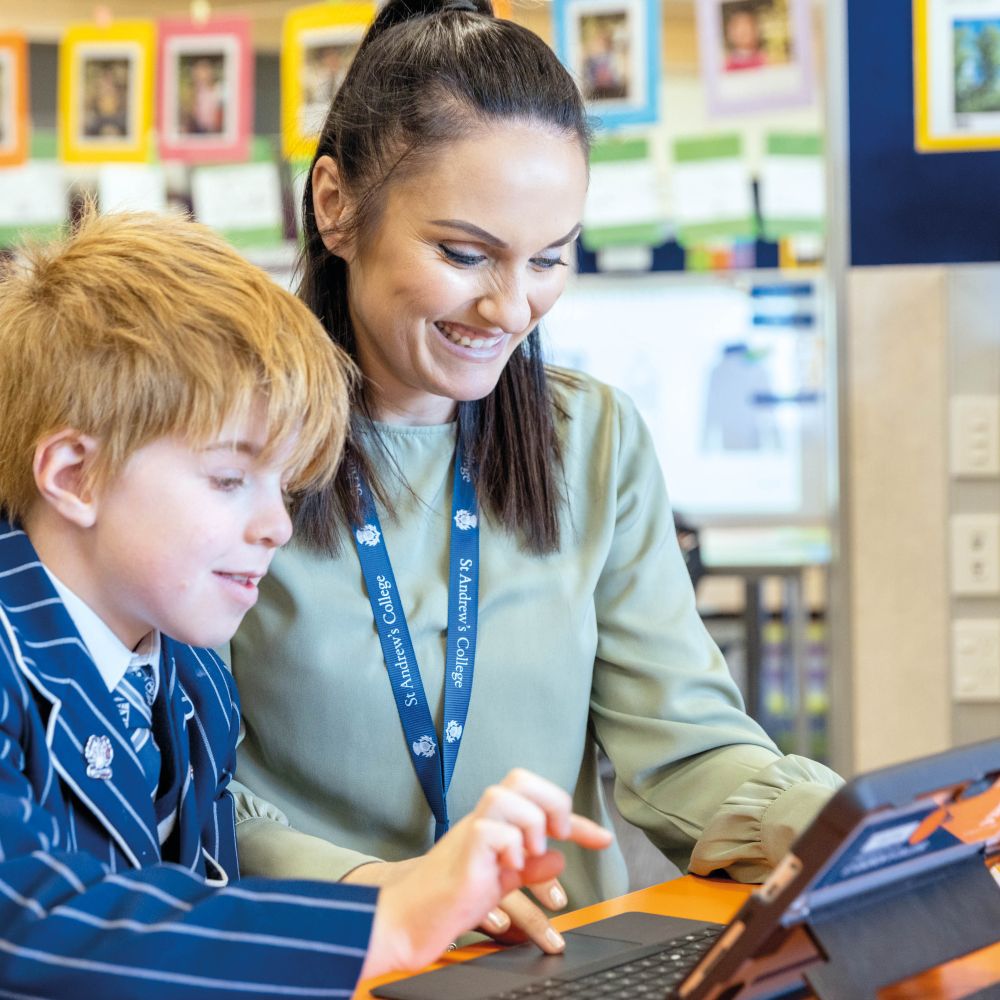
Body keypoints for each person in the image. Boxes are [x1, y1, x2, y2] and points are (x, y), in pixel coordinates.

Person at [229, 0, 842, 959]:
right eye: (463, 254)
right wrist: (383, 890)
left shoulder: (591, 440)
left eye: (550, 259)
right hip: (324, 959)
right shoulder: (222, 445)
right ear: (336, 205)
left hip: (554, 965)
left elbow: (682, 747)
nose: (510, 308)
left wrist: (841, 827)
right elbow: (170, 780)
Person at [0, 209, 613, 997]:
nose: (277, 526)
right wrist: (387, 922)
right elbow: (27, 918)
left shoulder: (187, 675)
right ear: (74, 474)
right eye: (228, 480)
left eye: (283, 487)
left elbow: (197, 919)